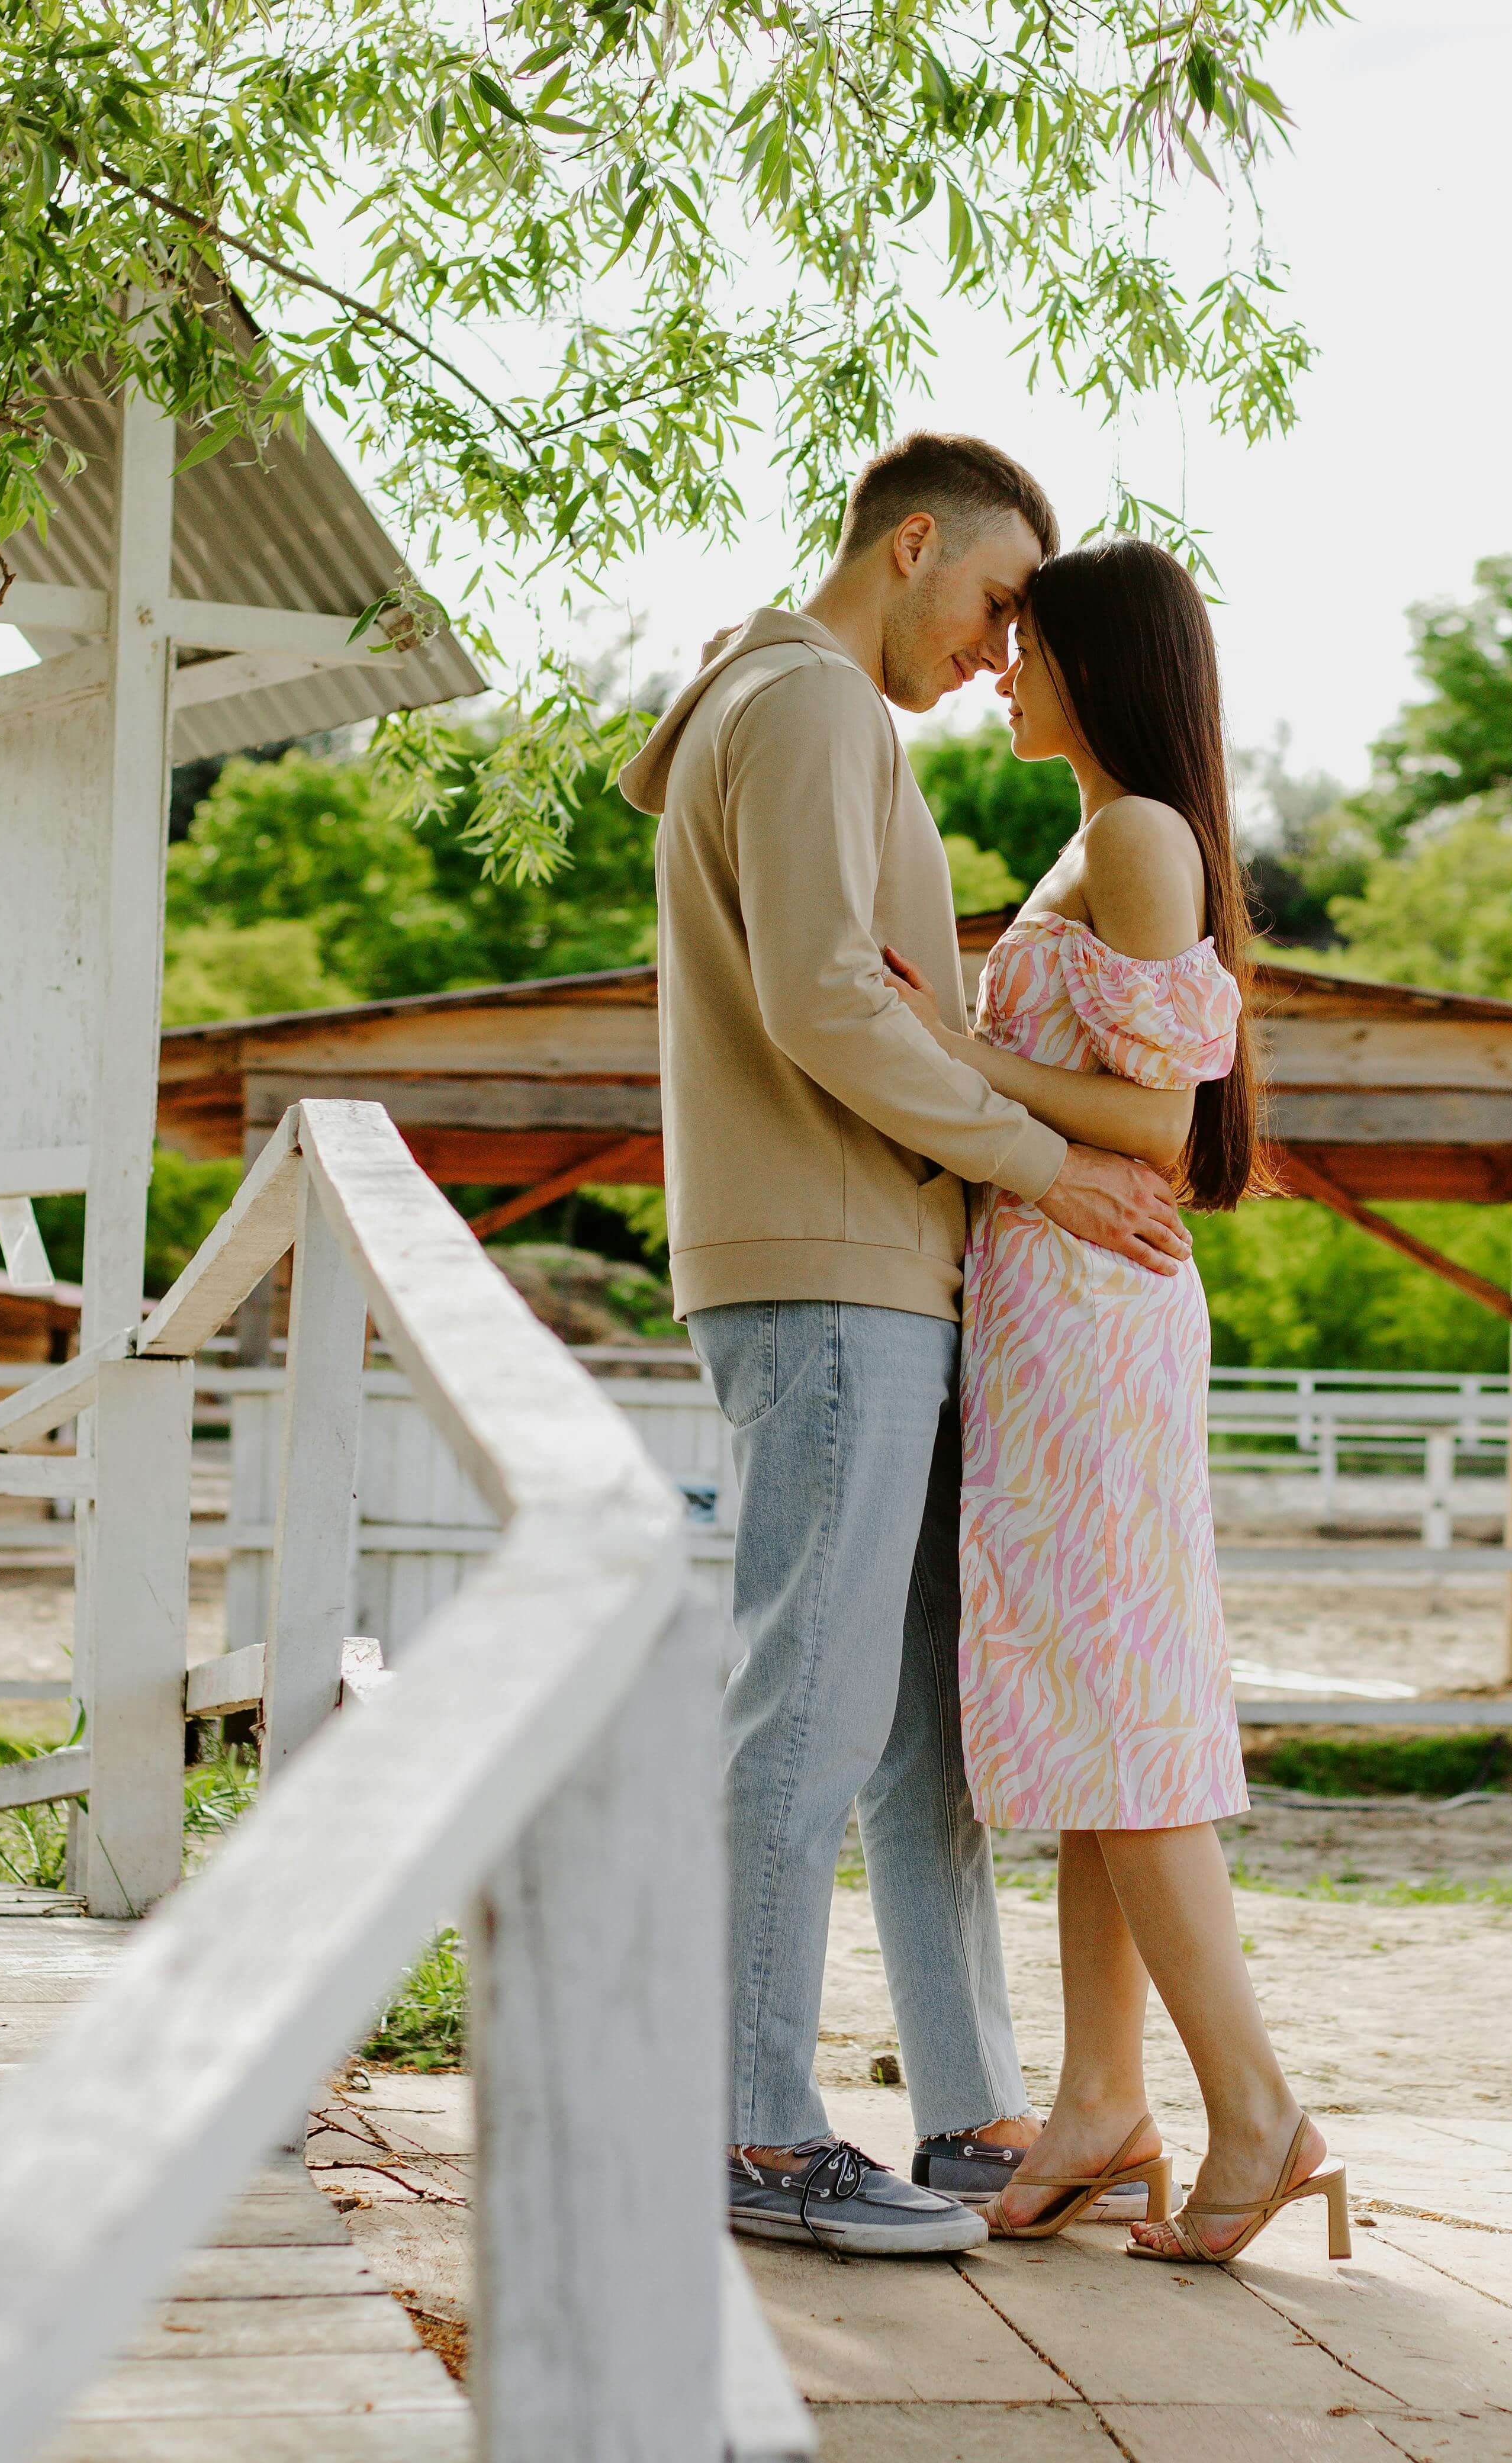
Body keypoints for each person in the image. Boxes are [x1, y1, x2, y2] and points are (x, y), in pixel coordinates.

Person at [618, 432, 1199, 2257]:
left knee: (917, 1723)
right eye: (994, 601)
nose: (999, 647)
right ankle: (750, 2128)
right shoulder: (807, 710)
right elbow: (818, 1005)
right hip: (829, 1267)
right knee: (807, 1701)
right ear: (914, 544)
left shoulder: (791, 706)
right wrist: (1047, 1162)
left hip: (889, 1265)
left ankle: (964, 2107)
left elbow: (869, 1002)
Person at [875, 536, 1353, 2267]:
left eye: (1028, 644)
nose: (1001, 666)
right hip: (1051, 1303)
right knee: (1090, 1718)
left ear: (1097, 663)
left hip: (1093, 1301)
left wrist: (938, 1045)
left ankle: (1257, 2112)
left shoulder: (1140, 835)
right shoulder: (1097, 839)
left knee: (1122, 1718)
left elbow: (1169, 1129)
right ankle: (1099, 2103)